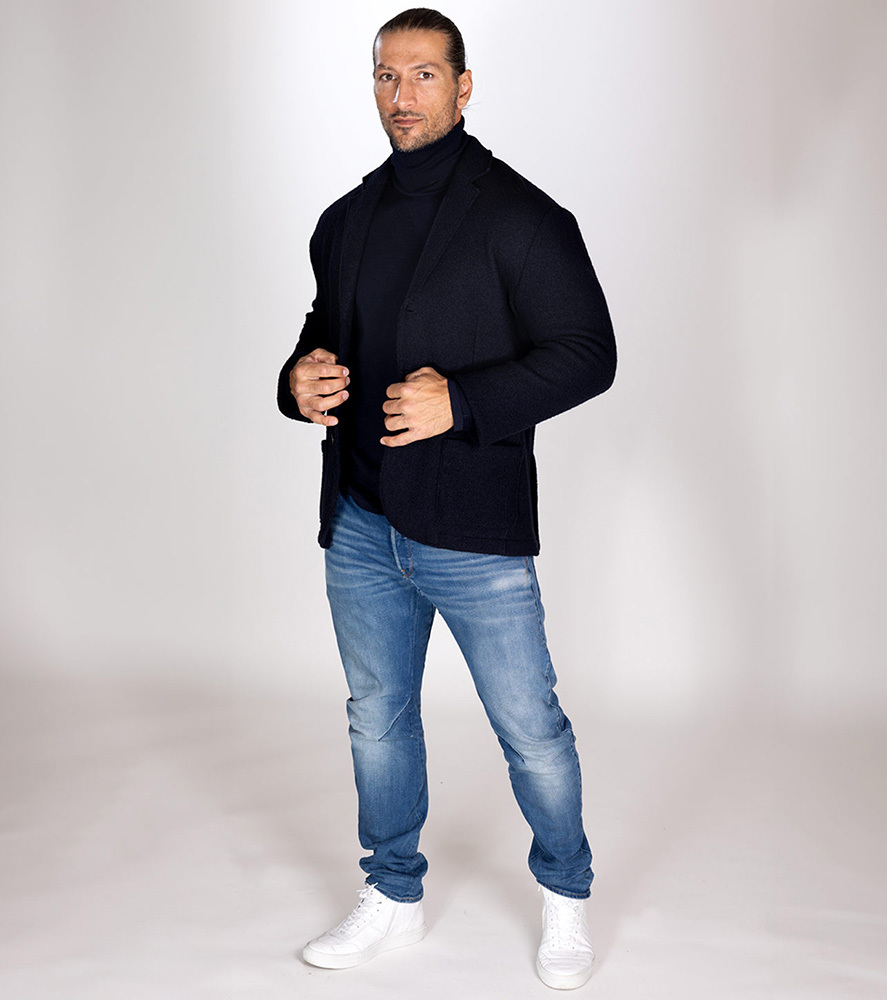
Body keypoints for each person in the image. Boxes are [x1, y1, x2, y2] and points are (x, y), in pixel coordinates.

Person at [277, 7, 615, 990]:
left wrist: (461, 401)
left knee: (529, 727)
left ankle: (565, 895)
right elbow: (320, 329)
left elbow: (587, 354)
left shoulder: (523, 218)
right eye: (386, 75)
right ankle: (392, 895)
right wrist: (296, 381)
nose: (402, 94)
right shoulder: (344, 220)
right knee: (377, 716)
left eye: (423, 74)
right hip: (361, 521)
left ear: (463, 87)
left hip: (473, 529)